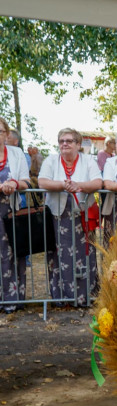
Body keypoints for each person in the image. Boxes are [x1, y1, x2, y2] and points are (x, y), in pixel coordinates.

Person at [38, 128, 102, 307]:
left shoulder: (88, 160)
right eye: (61, 141)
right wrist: (63, 185)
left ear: (78, 144)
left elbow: (98, 182)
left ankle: (85, 297)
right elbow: (42, 181)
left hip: (82, 216)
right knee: (60, 255)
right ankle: (63, 298)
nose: (64, 144)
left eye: (69, 141)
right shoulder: (51, 160)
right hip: (57, 217)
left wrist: (79, 185)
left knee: (84, 254)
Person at [0, 117, 30, 312]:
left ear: (7, 134)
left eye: (0, 131)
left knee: (12, 254)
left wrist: (14, 184)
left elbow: (26, 181)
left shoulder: (16, 153)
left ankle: (13, 300)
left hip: (10, 210)